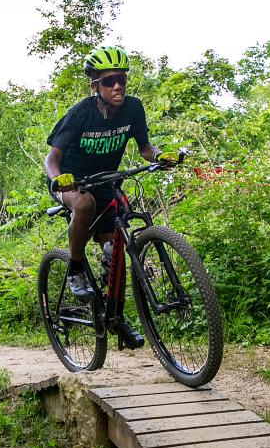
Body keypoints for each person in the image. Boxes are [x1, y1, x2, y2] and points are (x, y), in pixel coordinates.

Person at [44, 44, 178, 348]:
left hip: (106, 181)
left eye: (121, 79)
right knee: (85, 203)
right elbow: (52, 159)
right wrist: (58, 181)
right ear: (95, 86)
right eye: (108, 81)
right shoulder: (81, 113)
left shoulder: (133, 108)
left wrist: (161, 155)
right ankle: (76, 268)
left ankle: (113, 316)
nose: (117, 85)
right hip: (71, 181)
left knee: (116, 241)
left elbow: (145, 149)